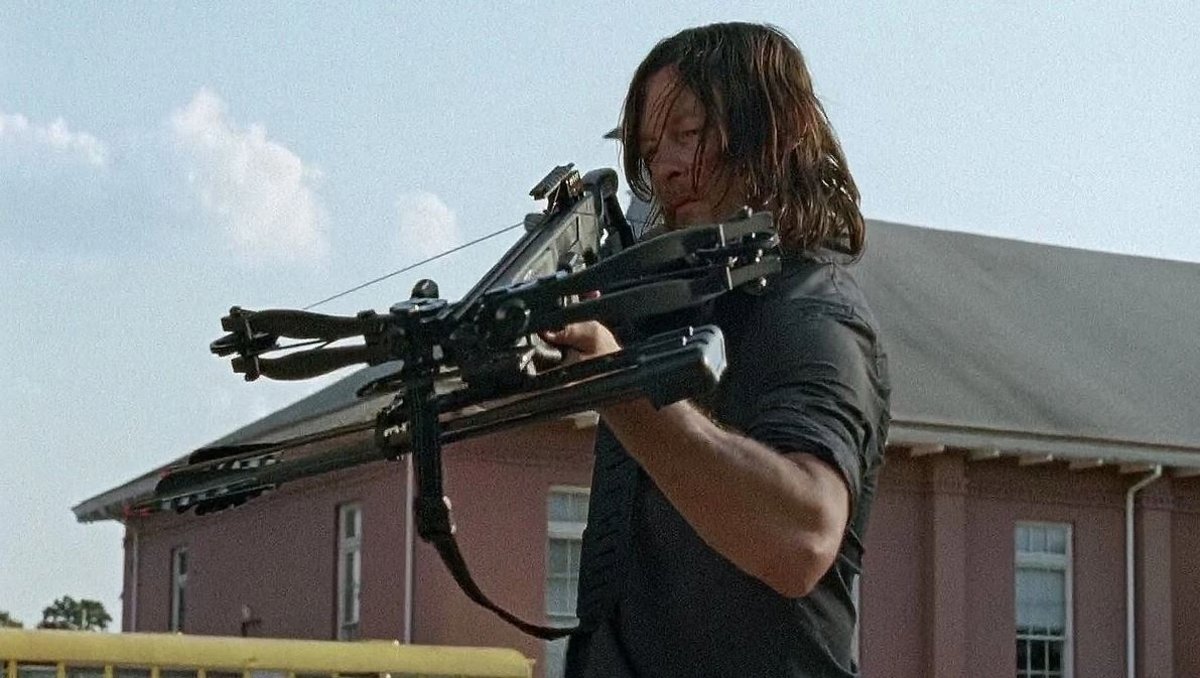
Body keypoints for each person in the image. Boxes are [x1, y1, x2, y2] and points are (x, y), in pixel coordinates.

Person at [543, 22, 891, 677]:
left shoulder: (813, 312)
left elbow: (803, 536)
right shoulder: (666, 312)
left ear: (769, 134)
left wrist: (619, 384)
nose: (666, 168)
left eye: (688, 135)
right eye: (652, 149)